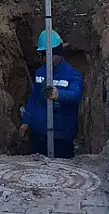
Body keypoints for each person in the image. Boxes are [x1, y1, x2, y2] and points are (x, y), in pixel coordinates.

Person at [20, 30, 84, 158]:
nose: (48, 58)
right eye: (44, 55)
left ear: (60, 53)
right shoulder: (40, 73)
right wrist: (26, 121)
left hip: (61, 134)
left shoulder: (73, 74)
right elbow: (34, 98)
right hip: (39, 132)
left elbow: (76, 95)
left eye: (52, 54)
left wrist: (58, 94)